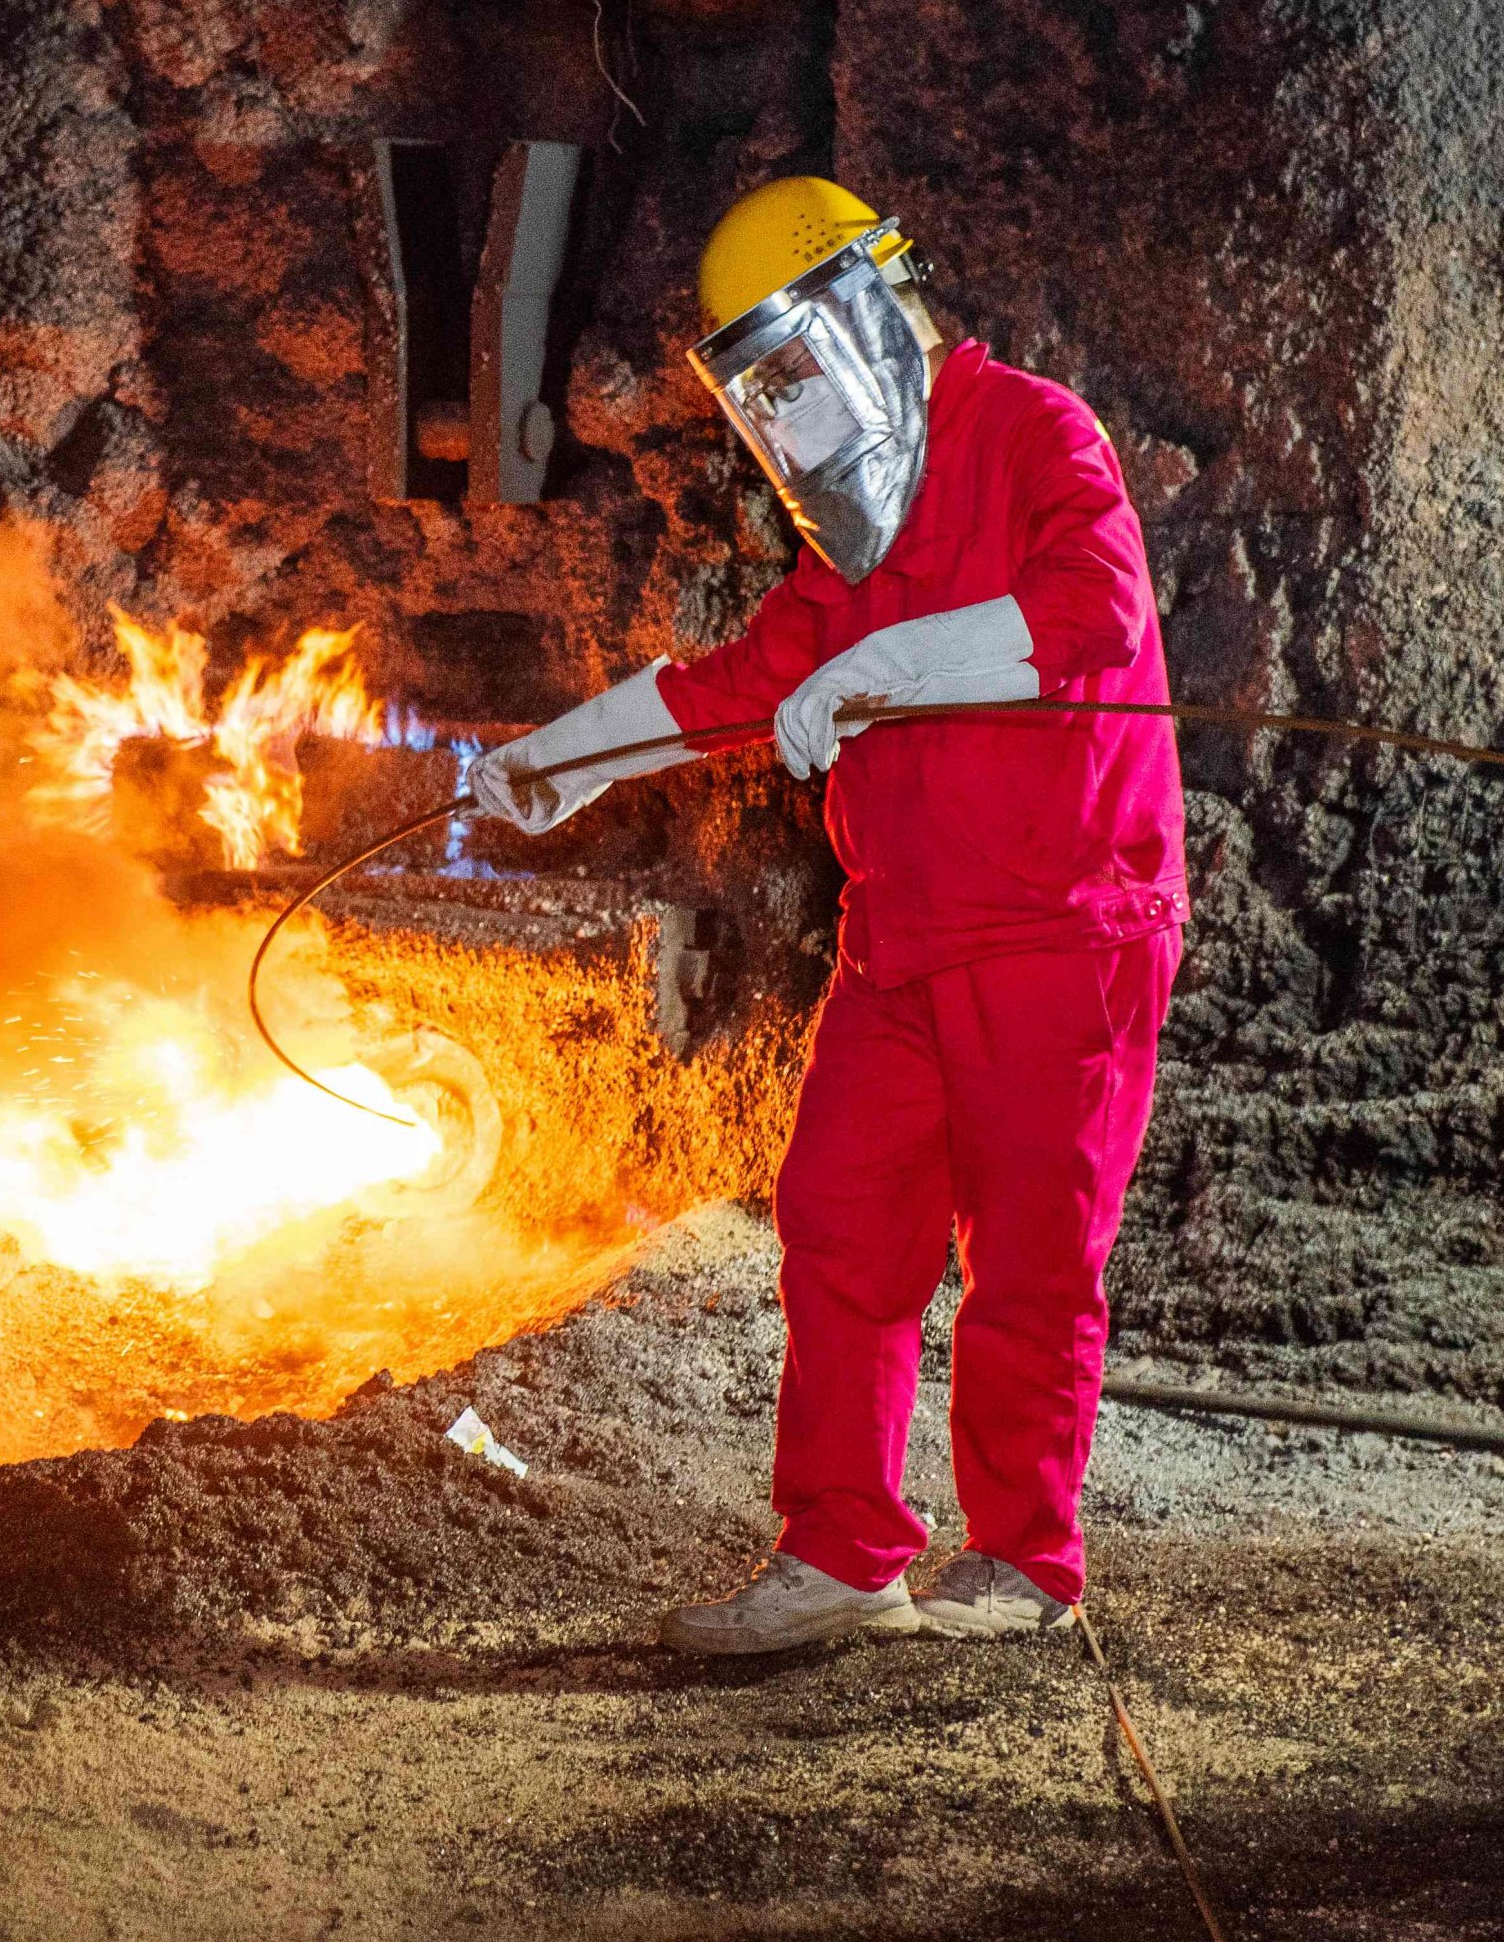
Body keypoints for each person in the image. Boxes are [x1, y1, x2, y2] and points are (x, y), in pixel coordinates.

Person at [471, 178, 1185, 1654]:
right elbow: (732, 687)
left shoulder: (1033, 431)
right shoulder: (846, 552)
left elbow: (1091, 612)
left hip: (1066, 927)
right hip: (906, 943)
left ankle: (1024, 1559)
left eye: (795, 368)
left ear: (872, 308)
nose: (786, 412)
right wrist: (557, 762)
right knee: (842, 1228)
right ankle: (845, 1552)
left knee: (1032, 1261)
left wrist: (878, 674)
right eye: (762, 390)